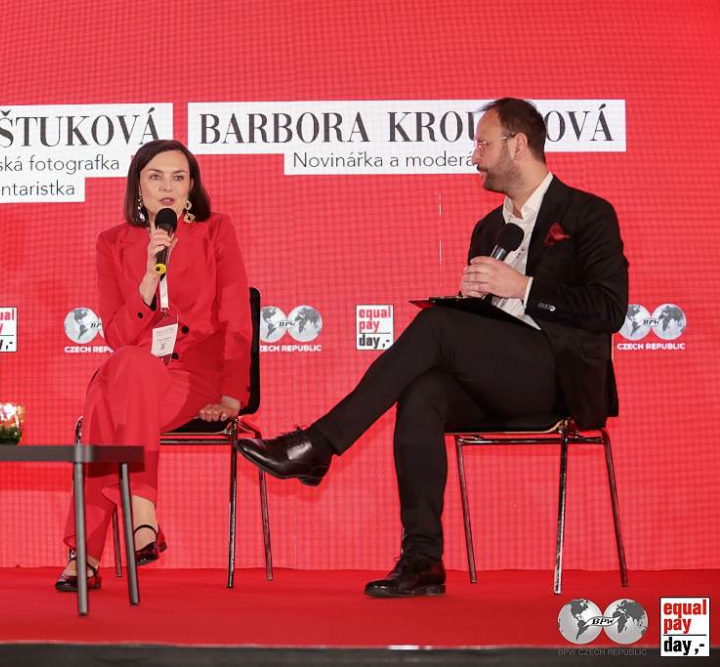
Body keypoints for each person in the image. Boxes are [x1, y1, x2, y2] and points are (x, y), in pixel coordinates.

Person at [237, 98, 628, 598]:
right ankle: (423, 558)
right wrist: (474, 304)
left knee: (437, 326)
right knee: (422, 391)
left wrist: (524, 287)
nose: (475, 156)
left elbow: (609, 309)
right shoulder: (489, 229)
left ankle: (319, 443)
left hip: (559, 377)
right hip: (500, 377)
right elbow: (487, 323)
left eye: (483, 144)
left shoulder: (588, 214)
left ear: (518, 145)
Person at [57, 139, 252, 592]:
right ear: (138, 187)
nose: (168, 187)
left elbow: (237, 318)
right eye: (156, 177)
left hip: (192, 379)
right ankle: (142, 514)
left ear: (191, 186)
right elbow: (117, 336)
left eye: (178, 177)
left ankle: (85, 553)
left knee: (105, 408)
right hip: (133, 373)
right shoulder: (112, 243)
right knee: (129, 363)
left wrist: (231, 396)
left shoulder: (216, 231)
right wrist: (149, 276)